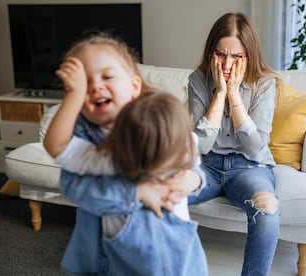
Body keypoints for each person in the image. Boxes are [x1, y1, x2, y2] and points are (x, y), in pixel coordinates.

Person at [43, 33, 207, 275]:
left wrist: (195, 179)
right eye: (83, 84)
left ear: (134, 86)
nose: (96, 86)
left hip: (178, 246)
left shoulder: (163, 117)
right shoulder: (98, 149)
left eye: (107, 76)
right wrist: (137, 192)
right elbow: (58, 149)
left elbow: (191, 157)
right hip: (118, 254)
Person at [187, 13, 281, 275]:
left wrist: (234, 96)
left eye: (236, 56)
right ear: (210, 52)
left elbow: (254, 148)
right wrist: (219, 94)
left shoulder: (265, 84)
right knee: (158, 193)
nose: (227, 64)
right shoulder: (197, 80)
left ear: (248, 56)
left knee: (268, 211)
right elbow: (201, 147)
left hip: (250, 167)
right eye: (220, 54)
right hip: (205, 166)